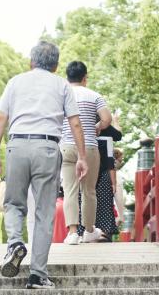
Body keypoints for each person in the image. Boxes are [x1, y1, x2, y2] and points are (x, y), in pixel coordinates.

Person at [0, 41, 89, 289]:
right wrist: (83, 157)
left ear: (31, 61)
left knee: (14, 203)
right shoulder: (61, 84)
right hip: (47, 146)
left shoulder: (15, 81)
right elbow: (75, 123)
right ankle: (37, 274)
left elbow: (1, 117)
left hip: (17, 145)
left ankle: (14, 243)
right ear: (55, 65)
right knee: (43, 212)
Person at [60, 61, 112, 245]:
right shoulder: (94, 96)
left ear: (67, 77)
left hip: (66, 146)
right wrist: (97, 127)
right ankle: (89, 230)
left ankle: (72, 232)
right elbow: (107, 119)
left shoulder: (62, 94)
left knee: (70, 190)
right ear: (85, 78)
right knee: (89, 191)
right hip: (89, 146)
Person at [93, 122, 123, 240]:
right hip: (105, 172)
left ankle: (86, 229)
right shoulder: (108, 136)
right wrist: (114, 183)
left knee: (87, 200)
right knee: (105, 202)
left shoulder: (84, 131)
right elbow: (110, 162)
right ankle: (104, 231)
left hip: (88, 171)